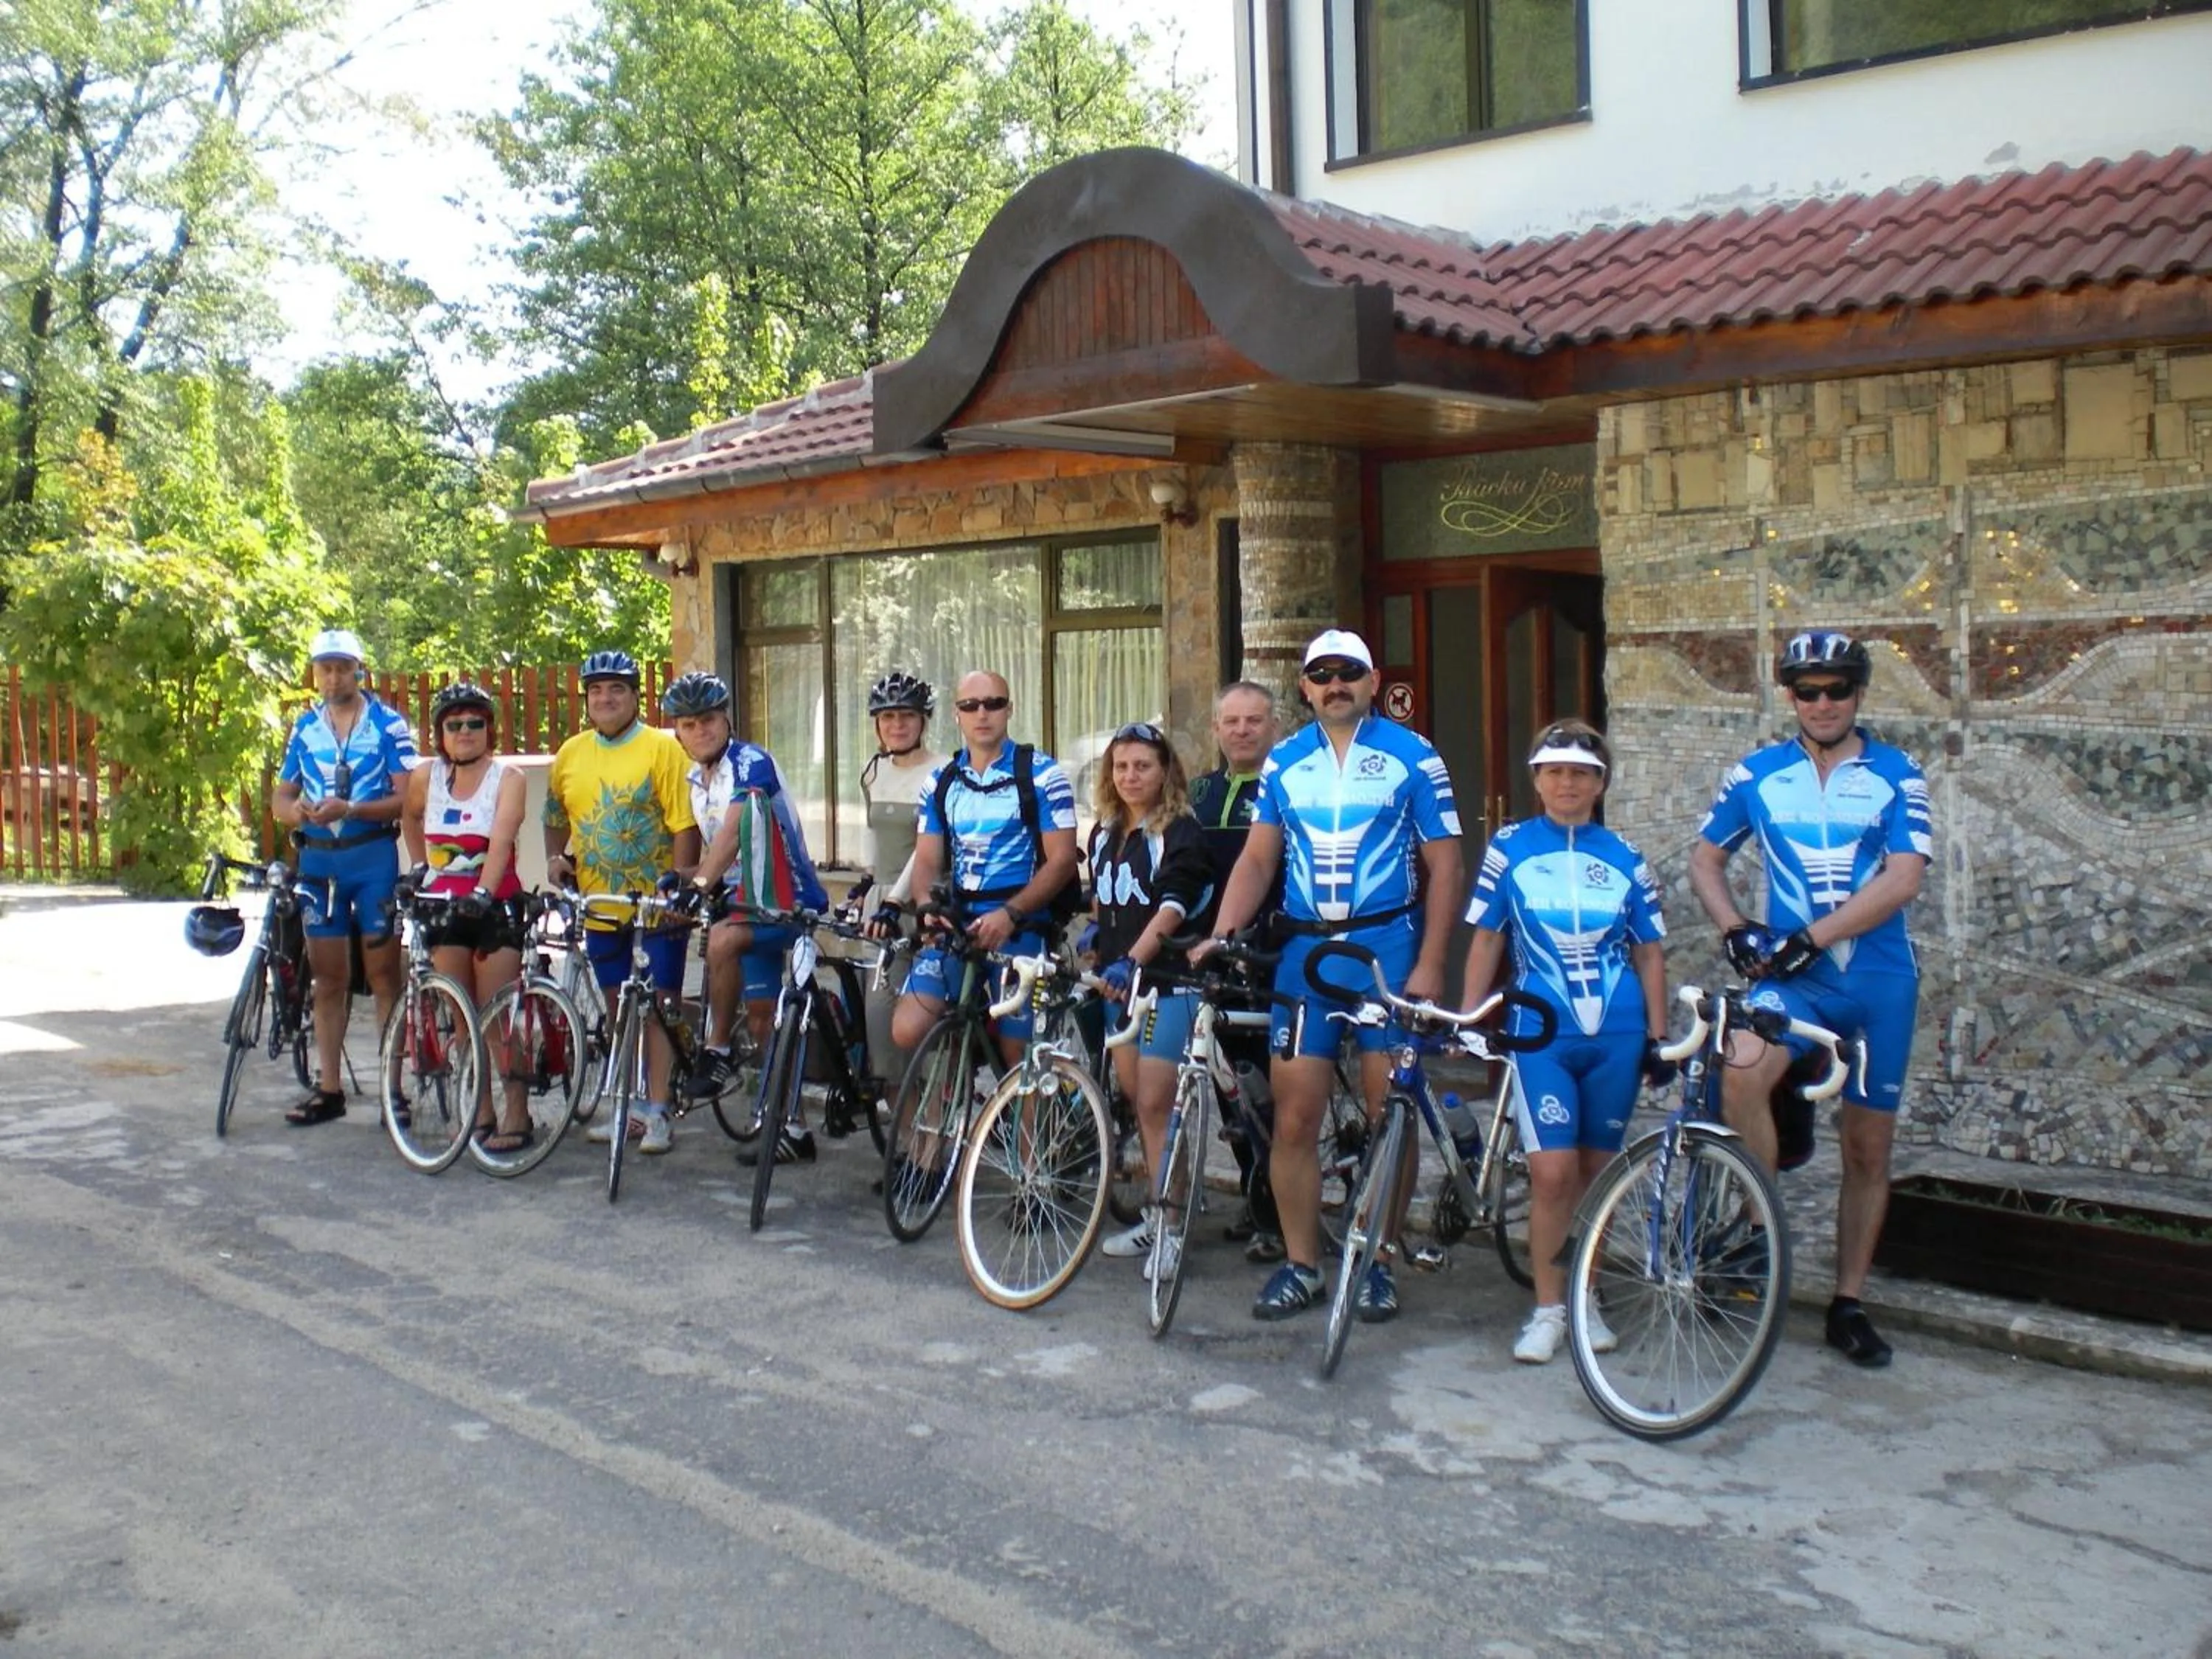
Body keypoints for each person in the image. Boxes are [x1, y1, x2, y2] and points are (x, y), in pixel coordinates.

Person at [1200, 630, 1463, 1325]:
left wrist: (1435, 961)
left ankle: (1378, 1259)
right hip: (1306, 957)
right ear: (1306, 686)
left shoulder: (1415, 755)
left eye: (1349, 672)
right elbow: (1258, 861)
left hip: (1388, 948)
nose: (1336, 683)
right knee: (1295, 1119)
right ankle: (1302, 1263)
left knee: (1389, 1117)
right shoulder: (1284, 763)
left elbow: (1447, 865)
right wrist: (1222, 934)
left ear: (1373, 680)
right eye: (1322, 673)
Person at [1688, 629, 1931, 1369]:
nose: (1823, 704)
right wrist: (1732, 927)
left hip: (1878, 983)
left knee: (1867, 1147)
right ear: (1789, 696)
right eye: (1807, 691)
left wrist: (1813, 937)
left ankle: (1848, 1302)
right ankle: (1761, 1236)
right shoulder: (1757, 774)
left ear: (1859, 694)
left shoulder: (1897, 773)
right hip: (1794, 982)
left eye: (1837, 690)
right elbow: (1706, 857)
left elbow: (1904, 877)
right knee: (1740, 1066)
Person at [1458, 720, 1670, 1365]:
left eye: (1581, 773)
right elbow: (1489, 937)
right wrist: (1469, 1018)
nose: (1567, 783)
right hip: (1539, 1031)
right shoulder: (1510, 847)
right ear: (1536, 780)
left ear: (1601, 782)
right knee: (1552, 1172)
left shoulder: (1626, 856)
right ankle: (1549, 1310)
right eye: (1554, 772)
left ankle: (1587, 1298)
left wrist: (1659, 1037)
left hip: (1618, 1031)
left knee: (1595, 1175)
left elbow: (1651, 953)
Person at [658, 670, 832, 1167]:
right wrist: (680, 878)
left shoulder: (750, 761)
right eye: (689, 724)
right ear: (678, 731)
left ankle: (715, 1052)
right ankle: (793, 1129)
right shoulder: (697, 779)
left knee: (722, 941)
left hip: (788, 899)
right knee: (761, 1019)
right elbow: (720, 856)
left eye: (708, 720)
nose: (700, 731)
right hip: (746, 900)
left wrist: (698, 886)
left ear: (726, 718)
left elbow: (734, 833)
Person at [543, 649, 700, 1157]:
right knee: (617, 1008)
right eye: (596, 691)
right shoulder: (571, 752)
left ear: (635, 697)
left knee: (658, 1005)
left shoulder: (663, 748)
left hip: (657, 905)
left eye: (617, 689)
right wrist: (553, 859)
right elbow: (553, 813)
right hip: (601, 902)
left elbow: (684, 825)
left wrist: (678, 884)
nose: (605, 698)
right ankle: (628, 1104)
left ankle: (657, 1111)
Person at [881, 670, 1079, 1068]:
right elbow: (926, 860)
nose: (982, 714)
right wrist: (926, 907)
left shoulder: (1042, 774)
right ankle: (965, 1077)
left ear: (1010, 709)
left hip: (1022, 923)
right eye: (971, 706)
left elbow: (1061, 861)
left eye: (993, 704)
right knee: (907, 1028)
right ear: (957, 715)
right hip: (960, 922)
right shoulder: (940, 781)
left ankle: (1024, 1126)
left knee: (1018, 1055)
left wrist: (1010, 914)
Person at [271, 627, 419, 1127]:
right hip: (319, 864)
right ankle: (329, 1087)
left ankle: (391, 1090)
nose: (333, 677)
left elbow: (409, 799)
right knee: (327, 979)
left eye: (342, 667)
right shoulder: (305, 728)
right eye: (324, 668)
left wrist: (353, 806)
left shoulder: (389, 725)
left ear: (360, 669)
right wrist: (299, 813)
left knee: (383, 977)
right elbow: (280, 797)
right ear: (315, 673)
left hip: (371, 858)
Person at [1086, 723, 1217, 1279]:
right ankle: (1166, 1208)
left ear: (1165, 770)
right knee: (1141, 1102)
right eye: (1121, 766)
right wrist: (1096, 940)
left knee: (1159, 1104)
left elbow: (1172, 908)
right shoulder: (1106, 831)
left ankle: (1171, 1226)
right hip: (1120, 988)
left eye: (1142, 765)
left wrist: (1134, 959)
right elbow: (1100, 898)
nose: (1131, 776)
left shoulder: (1179, 831)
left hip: (1166, 983)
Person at [399, 681, 532, 1152]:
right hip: (445, 908)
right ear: (441, 733)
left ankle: (518, 1111)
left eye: (476, 723)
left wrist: (483, 891)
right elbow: (410, 818)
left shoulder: (508, 778)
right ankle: (481, 1111)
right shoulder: (426, 777)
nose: (466, 731)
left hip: (494, 906)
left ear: (489, 729)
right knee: (460, 1016)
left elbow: (501, 840)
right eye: (454, 725)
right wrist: (421, 870)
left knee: (497, 1016)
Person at [1187, 681, 1285, 1263]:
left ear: (1274, 727)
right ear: (1217, 729)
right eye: (1232, 722)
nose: (1243, 731)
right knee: (1231, 1083)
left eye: (1254, 721)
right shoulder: (1199, 791)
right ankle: (1255, 1192)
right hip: (1215, 955)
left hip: (1273, 953)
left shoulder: (1287, 789)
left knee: (1275, 1091)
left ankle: (1279, 1210)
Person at [858, 671, 947, 911]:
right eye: (888, 716)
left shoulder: (943, 771)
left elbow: (929, 848)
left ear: (923, 721)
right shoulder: (872, 770)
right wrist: (867, 879)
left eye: (908, 715)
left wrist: (896, 900)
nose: (897, 725)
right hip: (880, 899)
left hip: (926, 900)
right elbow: (871, 830)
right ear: (877, 723)